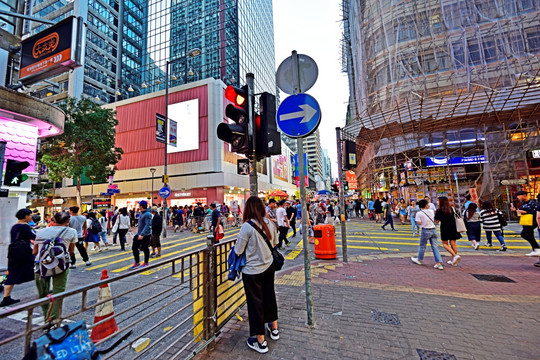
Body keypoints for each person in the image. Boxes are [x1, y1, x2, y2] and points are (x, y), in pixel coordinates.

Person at [235, 196, 279, 354]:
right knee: (269, 296)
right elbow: (274, 243)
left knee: (255, 304)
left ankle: (260, 341)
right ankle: (274, 329)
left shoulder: (247, 227)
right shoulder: (269, 223)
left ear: (248, 209)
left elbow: (238, 250)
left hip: (252, 272)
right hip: (268, 267)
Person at [33, 212, 77, 320]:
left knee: (43, 293)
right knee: (58, 292)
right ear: (68, 221)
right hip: (61, 265)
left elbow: (34, 251)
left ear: (54, 220)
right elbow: (71, 251)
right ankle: (51, 319)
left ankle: (46, 315)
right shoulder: (71, 232)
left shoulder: (41, 231)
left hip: (40, 265)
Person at [0, 209, 36, 307]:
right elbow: (33, 237)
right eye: (30, 215)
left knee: (12, 274)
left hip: (14, 252)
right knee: (39, 268)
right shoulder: (24, 227)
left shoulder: (15, 226)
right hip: (23, 253)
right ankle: (44, 290)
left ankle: (6, 298)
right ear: (25, 216)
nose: (31, 217)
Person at [410, 199, 444, 270]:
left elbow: (418, 222)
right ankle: (439, 263)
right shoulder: (431, 211)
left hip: (425, 230)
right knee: (435, 247)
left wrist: (423, 222)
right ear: (426, 205)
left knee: (422, 246)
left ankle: (419, 259)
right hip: (433, 230)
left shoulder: (419, 213)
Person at [511, 191, 540, 256]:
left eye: (519, 195)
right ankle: (536, 249)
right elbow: (519, 214)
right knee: (529, 235)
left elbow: (535, 212)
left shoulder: (532, 203)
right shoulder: (523, 203)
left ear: (524, 195)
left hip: (531, 221)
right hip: (525, 221)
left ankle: (536, 248)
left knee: (525, 234)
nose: (518, 197)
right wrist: (515, 211)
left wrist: (525, 212)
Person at [435, 197, 461, 266]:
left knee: (444, 243)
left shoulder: (439, 210)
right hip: (453, 227)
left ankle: (455, 255)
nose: (437, 202)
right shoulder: (452, 209)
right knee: (453, 244)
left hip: (445, 228)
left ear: (441, 202)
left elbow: (437, 220)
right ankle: (453, 261)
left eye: (438, 201)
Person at [129, 200, 152, 269]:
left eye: (139, 205)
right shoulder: (142, 213)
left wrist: (142, 234)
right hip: (139, 233)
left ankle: (146, 262)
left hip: (145, 234)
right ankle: (137, 262)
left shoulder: (147, 214)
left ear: (141, 206)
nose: (138, 206)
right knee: (134, 247)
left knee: (145, 248)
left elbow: (147, 225)